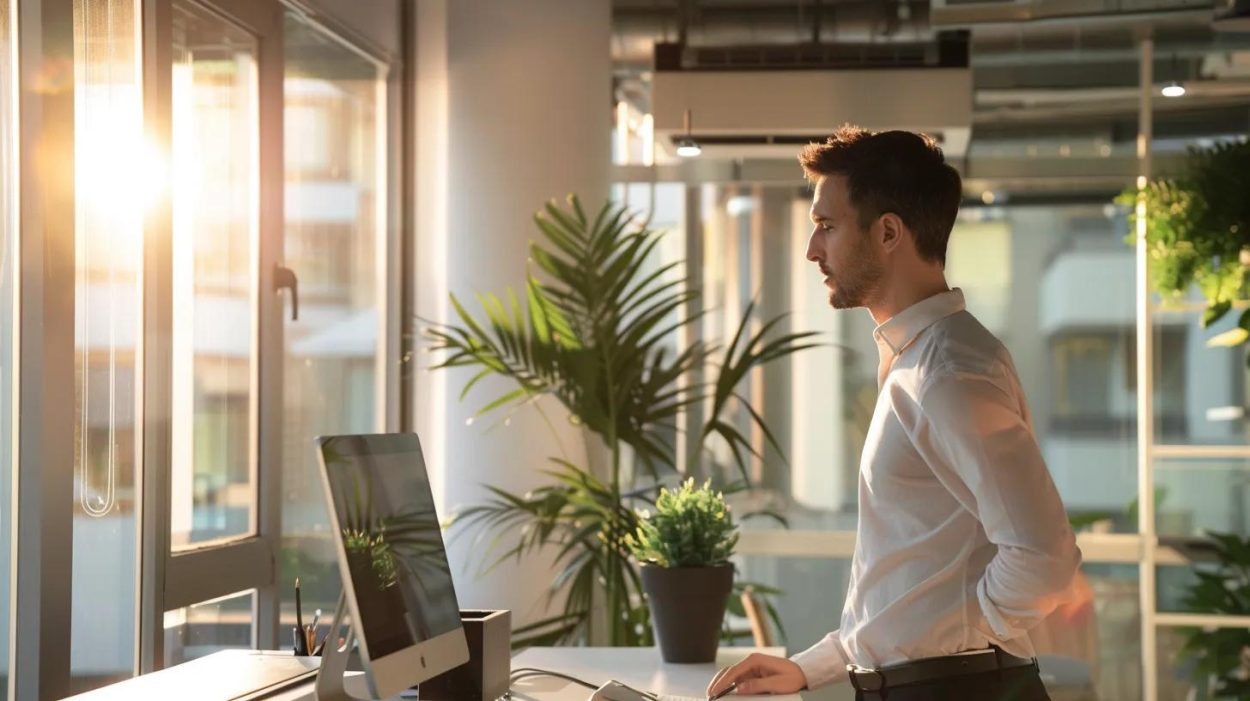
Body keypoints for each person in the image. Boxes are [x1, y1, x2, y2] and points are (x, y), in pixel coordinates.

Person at [707, 126, 1082, 701]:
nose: (813, 249)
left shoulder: (949, 372)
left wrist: (964, 642)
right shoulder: (920, 362)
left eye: (827, 226)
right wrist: (812, 666)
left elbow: (1044, 557)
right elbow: (907, 576)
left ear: (887, 232)